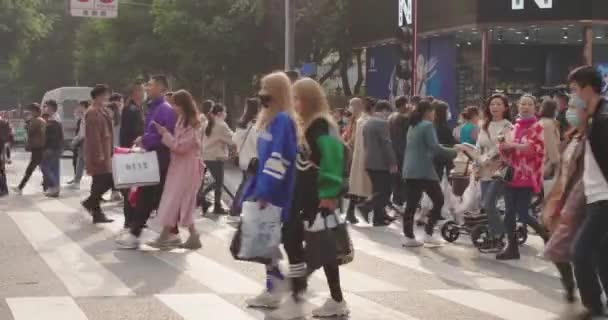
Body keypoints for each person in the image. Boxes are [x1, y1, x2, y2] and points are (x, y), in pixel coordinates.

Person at [268, 77, 348, 319]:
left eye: (297, 99)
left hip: (316, 197)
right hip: (302, 195)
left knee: (317, 245)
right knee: (312, 245)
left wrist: (328, 194)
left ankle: (300, 295)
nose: (294, 103)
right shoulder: (308, 124)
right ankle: (332, 298)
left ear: (309, 100)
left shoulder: (319, 125)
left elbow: (332, 159)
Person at [241, 72, 298, 312]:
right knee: (268, 242)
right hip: (266, 186)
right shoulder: (269, 119)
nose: (261, 91)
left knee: (269, 241)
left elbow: (279, 158)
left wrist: (266, 191)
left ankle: (276, 289)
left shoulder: (283, 120)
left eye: (266, 87)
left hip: (276, 191)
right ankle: (275, 287)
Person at [116, 75, 178, 249]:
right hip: (152, 157)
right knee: (156, 197)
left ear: (162, 89)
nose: (147, 88)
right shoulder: (154, 108)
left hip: (159, 159)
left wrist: (145, 139)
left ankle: (135, 234)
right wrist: (143, 139)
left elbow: (165, 135)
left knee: (148, 196)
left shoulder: (165, 109)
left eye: (150, 85)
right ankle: (172, 233)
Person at [568, 66, 608, 319]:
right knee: (601, 256)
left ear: (587, 88)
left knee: (580, 252)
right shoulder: (594, 118)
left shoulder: (604, 119)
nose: (571, 96)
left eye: (573, 90)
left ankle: (593, 306)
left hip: (605, 197)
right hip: (596, 196)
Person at [542, 98, 588, 305]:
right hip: (561, 197)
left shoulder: (593, 138)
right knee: (557, 246)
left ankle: (590, 295)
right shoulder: (571, 137)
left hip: (582, 199)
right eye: (568, 108)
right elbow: (561, 168)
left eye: (574, 108)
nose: (569, 112)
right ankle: (571, 285)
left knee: (579, 249)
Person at [147, 90, 204, 249]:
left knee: (177, 201)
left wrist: (165, 134)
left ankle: (165, 238)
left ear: (183, 105)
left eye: (175, 104)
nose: (173, 108)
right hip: (179, 166)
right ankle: (192, 236)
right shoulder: (183, 121)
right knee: (178, 201)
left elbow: (180, 147)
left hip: (187, 168)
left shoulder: (193, 124)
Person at [402, 100, 461, 247]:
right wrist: (455, 151)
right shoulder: (427, 125)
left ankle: (409, 237)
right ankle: (428, 234)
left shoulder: (413, 125)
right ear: (428, 112)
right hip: (424, 170)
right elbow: (435, 147)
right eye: (433, 111)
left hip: (410, 169)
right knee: (438, 200)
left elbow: (430, 146)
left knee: (411, 204)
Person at [496, 94, 549, 260]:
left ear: (535, 107)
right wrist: (503, 148)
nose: (525, 107)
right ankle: (512, 247)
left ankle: (547, 237)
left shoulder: (538, 127)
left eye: (529, 104)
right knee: (509, 213)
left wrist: (513, 145)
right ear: (517, 107)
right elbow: (506, 150)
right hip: (511, 175)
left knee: (523, 213)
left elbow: (534, 149)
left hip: (527, 176)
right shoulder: (513, 127)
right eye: (522, 104)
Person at [476, 94, 512, 251]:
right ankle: (494, 234)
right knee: (486, 204)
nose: (494, 107)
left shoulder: (508, 126)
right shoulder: (484, 125)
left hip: (500, 170)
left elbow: (501, 146)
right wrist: (477, 163)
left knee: (489, 202)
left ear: (505, 108)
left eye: (498, 104)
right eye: (492, 104)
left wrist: (486, 158)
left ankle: (499, 236)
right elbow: (478, 145)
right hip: (484, 170)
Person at [79, 84, 115, 224]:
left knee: (98, 182)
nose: (107, 97)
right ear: (99, 96)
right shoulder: (92, 112)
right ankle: (91, 204)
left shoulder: (102, 111)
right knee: (108, 180)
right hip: (99, 154)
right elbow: (93, 136)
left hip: (105, 151)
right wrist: (99, 154)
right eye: (106, 95)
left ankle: (96, 212)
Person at [362, 100, 398, 227]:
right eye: (388, 113)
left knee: (378, 189)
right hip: (381, 163)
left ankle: (380, 217)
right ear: (384, 111)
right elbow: (386, 144)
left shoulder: (367, 123)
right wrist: (392, 162)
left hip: (369, 161)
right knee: (384, 191)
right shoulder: (382, 123)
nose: (388, 116)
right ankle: (366, 206)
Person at [119, 83, 146, 230]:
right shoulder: (133, 110)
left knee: (132, 187)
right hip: (133, 152)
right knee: (132, 188)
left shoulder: (132, 109)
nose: (144, 93)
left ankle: (131, 219)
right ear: (135, 92)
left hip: (130, 151)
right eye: (142, 90)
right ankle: (131, 219)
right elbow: (135, 132)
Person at [201, 103, 235, 214]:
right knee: (218, 182)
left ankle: (204, 199)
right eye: (225, 112)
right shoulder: (221, 124)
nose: (226, 114)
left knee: (217, 181)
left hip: (206, 155)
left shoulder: (206, 123)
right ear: (220, 113)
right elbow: (232, 139)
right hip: (216, 157)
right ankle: (213, 205)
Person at [345, 97, 373, 223]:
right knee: (357, 186)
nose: (350, 108)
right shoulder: (358, 120)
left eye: (352, 105)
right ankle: (360, 210)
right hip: (356, 156)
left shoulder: (359, 119)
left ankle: (352, 212)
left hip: (356, 155)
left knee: (356, 186)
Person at [231, 98, 260, 218]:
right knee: (248, 185)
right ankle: (238, 208)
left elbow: (234, 140)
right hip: (253, 160)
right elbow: (258, 143)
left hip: (243, 159)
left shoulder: (242, 124)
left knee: (244, 184)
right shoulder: (255, 125)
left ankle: (235, 208)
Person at [13, 103, 46, 195]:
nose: (30, 112)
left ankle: (20, 187)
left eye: (31, 110)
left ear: (35, 111)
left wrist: (27, 124)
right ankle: (47, 185)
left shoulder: (36, 120)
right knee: (41, 167)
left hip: (37, 147)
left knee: (31, 168)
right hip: (40, 146)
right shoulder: (41, 120)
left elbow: (30, 132)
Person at [388, 96, 410, 211]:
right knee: (403, 178)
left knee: (395, 177)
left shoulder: (390, 117)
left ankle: (396, 200)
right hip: (403, 151)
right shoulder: (403, 118)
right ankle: (402, 200)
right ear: (404, 105)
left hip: (392, 151)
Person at [40, 100, 64, 197]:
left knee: (45, 167)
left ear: (51, 108)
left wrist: (48, 148)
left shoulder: (54, 120)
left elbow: (53, 136)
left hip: (52, 148)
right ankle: (54, 188)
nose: (45, 109)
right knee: (53, 168)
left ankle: (54, 186)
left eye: (46, 107)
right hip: (56, 147)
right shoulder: (54, 118)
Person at [67, 101, 90, 189]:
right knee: (81, 161)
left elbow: (83, 133)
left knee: (81, 161)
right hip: (84, 140)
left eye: (79, 106)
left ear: (83, 106)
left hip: (85, 141)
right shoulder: (84, 115)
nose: (78, 108)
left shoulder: (86, 116)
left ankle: (77, 182)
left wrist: (75, 140)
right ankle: (76, 180)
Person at [538, 99, 561, 180]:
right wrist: (556, 161)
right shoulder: (549, 124)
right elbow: (551, 144)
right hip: (546, 163)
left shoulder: (541, 122)